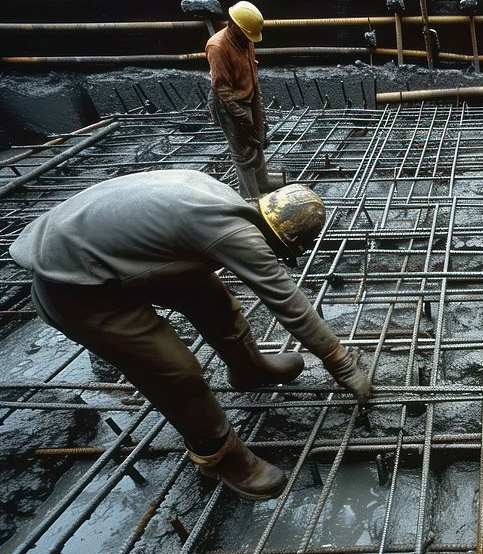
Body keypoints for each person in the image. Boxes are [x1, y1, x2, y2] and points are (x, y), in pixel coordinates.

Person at [10, 171, 373, 500]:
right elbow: (286, 300)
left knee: (214, 300)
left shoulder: (223, 201)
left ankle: (250, 369)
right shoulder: (235, 233)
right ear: (284, 242)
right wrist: (341, 363)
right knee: (173, 370)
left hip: (107, 253)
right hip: (73, 286)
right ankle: (219, 455)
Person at [206, 0, 280, 200]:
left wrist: (259, 113)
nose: (250, 39)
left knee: (259, 139)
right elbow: (223, 90)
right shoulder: (218, 46)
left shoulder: (245, 38)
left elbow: (252, 73)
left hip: (249, 95)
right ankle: (250, 197)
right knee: (243, 150)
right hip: (229, 102)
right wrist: (243, 120)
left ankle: (262, 181)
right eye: (247, 34)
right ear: (233, 24)